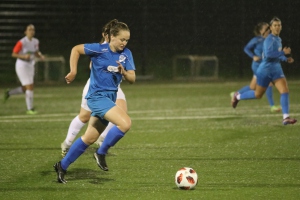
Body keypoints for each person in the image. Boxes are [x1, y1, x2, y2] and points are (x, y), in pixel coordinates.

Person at [54, 20, 136, 183]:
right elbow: (76, 49)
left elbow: (132, 78)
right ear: (112, 36)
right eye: (121, 39)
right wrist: (73, 71)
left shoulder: (126, 54)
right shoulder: (99, 49)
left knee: (89, 138)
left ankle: (62, 166)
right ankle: (101, 152)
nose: (124, 43)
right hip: (97, 97)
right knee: (125, 123)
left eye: (127, 40)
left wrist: (124, 73)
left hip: (110, 98)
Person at [60, 19, 128, 157]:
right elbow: (90, 63)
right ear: (106, 35)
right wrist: (73, 71)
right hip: (96, 87)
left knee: (122, 115)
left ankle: (102, 141)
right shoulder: (101, 47)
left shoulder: (121, 48)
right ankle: (67, 144)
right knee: (84, 117)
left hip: (114, 88)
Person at [232, 17, 297, 125]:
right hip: (265, 71)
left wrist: (286, 59)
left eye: (279, 25)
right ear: (271, 28)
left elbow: (276, 56)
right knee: (258, 95)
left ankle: (286, 117)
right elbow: (268, 55)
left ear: (281, 27)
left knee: (284, 91)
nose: (277, 27)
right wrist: (283, 53)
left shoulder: (278, 40)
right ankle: (237, 96)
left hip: (276, 70)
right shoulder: (268, 40)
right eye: (275, 25)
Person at [230, 22, 281, 112]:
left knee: (252, 87)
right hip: (258, 66)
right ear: (261, 31)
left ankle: (236, 94)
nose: (269, 29)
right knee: (269, 83)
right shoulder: (257, 40)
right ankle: (272, 106)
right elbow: (246, 48)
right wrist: (253, 56)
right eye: (266, 28)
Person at [4, 24, 44, 114]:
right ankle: (29, 109)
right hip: (22, 65)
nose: (31, 31)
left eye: (33, 30)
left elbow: (36, 52)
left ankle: (9, 93)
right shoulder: (22, 42)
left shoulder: (35, 41)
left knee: (27, 87)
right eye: (29, 29)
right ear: (25, 32)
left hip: (30, 65)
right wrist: (23, 56)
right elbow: (14, 54)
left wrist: (40, 56)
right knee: (29, 86)